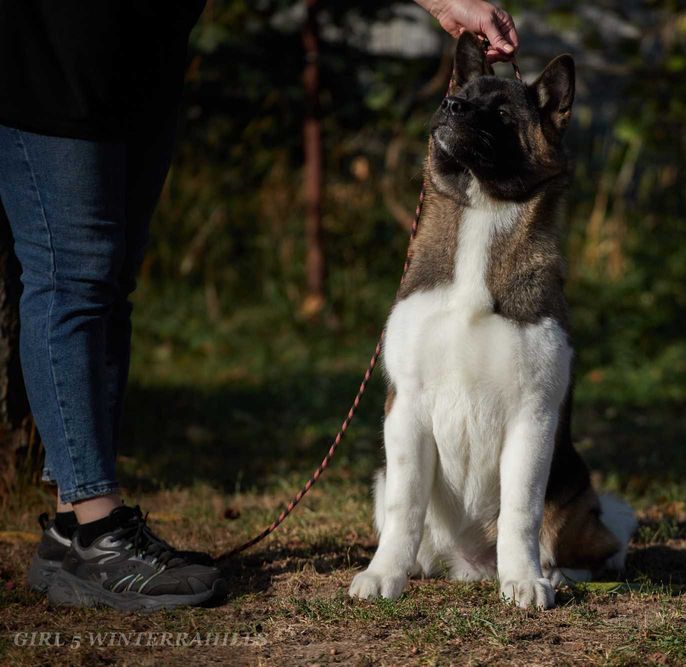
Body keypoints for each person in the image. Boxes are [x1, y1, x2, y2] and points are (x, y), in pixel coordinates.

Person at [0, 0, 518, 612]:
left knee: (108, 289)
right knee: (74, 282)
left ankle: (73, 529)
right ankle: (95, 528)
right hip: (50, 67)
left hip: (138, 74)